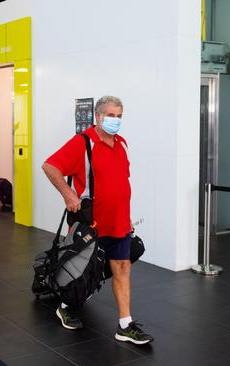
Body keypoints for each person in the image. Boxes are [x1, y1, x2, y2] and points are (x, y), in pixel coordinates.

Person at [42, 96, 153, 345]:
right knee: (82, 269)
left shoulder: (122, 144)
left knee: (122, 268)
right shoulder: (83, 143)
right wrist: (69, 194)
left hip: (119, 222)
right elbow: (50, 166)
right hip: (91, 222)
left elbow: (120, 183)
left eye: (119, 116)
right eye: (111, 115)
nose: (115, 120)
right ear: (98, 116)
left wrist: (126, 216)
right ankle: (65, 305)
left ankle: (125, 325)